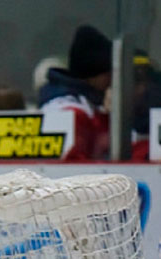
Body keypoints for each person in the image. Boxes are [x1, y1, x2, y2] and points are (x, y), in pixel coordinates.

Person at [38, 24, 112, 161]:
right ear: (94, 73)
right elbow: (75, 166)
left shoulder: (89, 103)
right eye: (108, 73)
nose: (111, 79)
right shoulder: (66, 110)